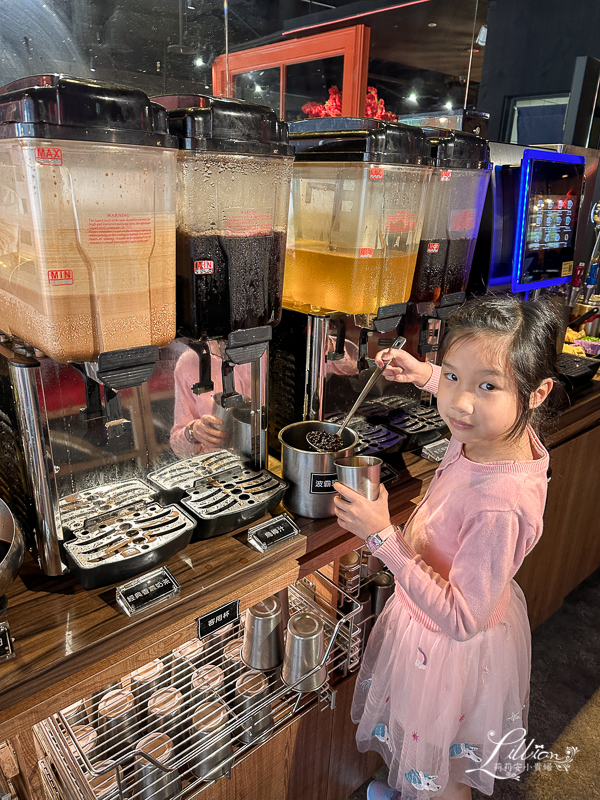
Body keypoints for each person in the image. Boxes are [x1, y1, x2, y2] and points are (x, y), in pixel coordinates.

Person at [333, 294, 559, 800]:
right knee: (420, 745)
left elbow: (460, 619)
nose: (458, 403)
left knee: (442, 768)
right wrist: (424, 374)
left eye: (487, 386)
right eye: (453, 376)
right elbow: (464, 388)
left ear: (537, 392)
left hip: (447, 647)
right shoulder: (491, 432)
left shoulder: (499, 502)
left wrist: (382, 539)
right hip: (426, 629)